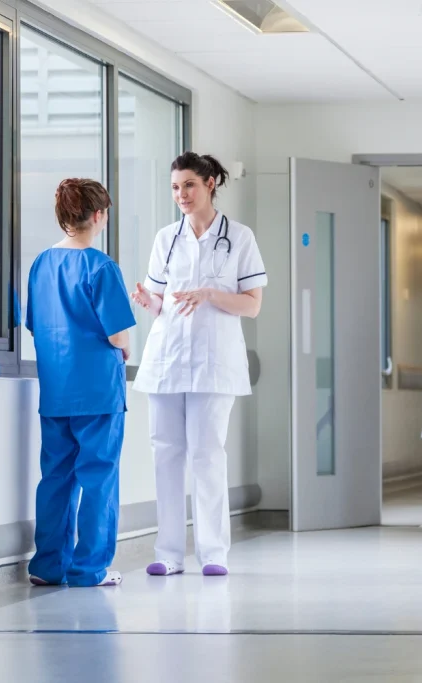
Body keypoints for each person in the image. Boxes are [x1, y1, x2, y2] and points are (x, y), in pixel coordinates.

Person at [131, 152, 267, 577]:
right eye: (175, 187)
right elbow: (161, 302)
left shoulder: (239, 237)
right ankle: (169, 554)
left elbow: (252, 305)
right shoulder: (166, 238)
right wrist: (147, 300)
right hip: (167, 359)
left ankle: (213, 553)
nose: (181, 194)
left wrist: (208, 293)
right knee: (166, 455)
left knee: (208, 456)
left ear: (210, 183)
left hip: (214, 362)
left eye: (188, 185)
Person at [25, 178, 136, 588]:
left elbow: (36, 326)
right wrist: (124, 349)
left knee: (55, 478)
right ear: (99, 215)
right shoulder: (102, 267)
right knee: (99, 479)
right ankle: (90, 569)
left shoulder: (40, 265)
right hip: (98, 393)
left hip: (56, 392)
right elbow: (118, 335)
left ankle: (47, 566)